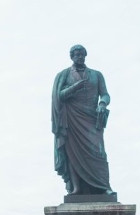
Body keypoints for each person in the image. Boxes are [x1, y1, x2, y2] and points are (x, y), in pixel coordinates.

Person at [51, 44, 114, 196]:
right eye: (76, 54)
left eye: (81, 54)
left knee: (98, 153)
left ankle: (104, 186)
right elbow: (59, 96)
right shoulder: (64, 75)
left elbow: (105, 94)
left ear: (85, 56)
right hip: (72, 118)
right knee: (73, 153)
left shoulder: (96, 75)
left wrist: (102, 104)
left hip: (91, 118)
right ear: (71, 56)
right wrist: (75, 87)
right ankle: (76, 188)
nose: (79, 56)